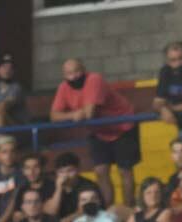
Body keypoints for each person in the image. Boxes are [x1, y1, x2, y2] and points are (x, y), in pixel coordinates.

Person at [49, 59, 140, 207]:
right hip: (100, 131)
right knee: (100, 171)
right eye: (69, 74)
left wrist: (75, 114)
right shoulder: (63, 87)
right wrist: (73, 115)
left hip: (123, 126)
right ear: (64, 75)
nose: (73, 77)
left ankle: (128, 209)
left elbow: (89, 113)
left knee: (125, 171)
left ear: (84, 70)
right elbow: (53, 116)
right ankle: (106, 209)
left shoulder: (94, 79)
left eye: (77, 72)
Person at [44, 152, 99, 222]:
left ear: (78, 169)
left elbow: (84, 211)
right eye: (61, 172)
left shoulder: (88, 186)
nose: (66, 176)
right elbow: (50, 213)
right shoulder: (51, 186)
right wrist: (59, 189)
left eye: (70, 171)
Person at [0, 52, 27, 126]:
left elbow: (3, 107)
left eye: (10, 68)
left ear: (13, 72)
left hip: (16, 127)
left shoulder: (16, 88)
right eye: (4, 67)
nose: (7, 70)